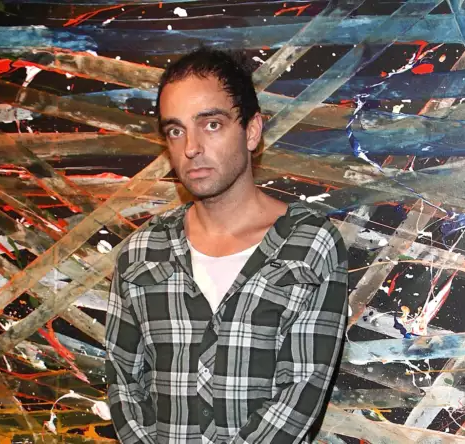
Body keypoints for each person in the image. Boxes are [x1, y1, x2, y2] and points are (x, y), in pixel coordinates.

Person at [105, 47, 348, 444]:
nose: (191, 147)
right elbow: (124, 386)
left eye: (211, 124)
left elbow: (300, 394)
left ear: (251, 131)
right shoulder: (141, 252)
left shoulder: (309, 244)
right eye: (176, 131)